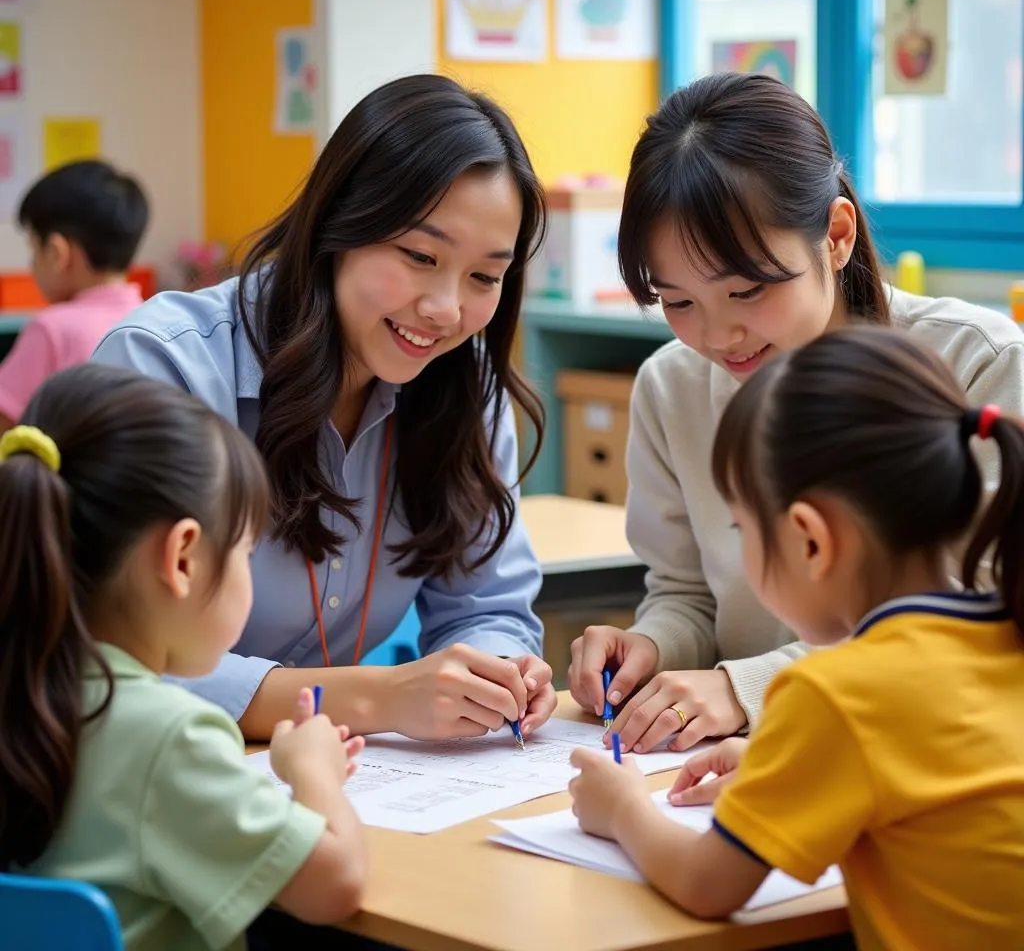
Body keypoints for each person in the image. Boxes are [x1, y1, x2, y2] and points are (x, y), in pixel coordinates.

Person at [567, 71, 1024, 752]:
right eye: (678, 302)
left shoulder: (977, 363)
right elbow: (687, 593)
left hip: (932, 759)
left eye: (747, 290)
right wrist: (649, 645)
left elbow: (981, 616)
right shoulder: (673, 386)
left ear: (836, 236)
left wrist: (749, 688)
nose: (718, 337)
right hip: (754, 761)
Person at [94, 74, 557, 741]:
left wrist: (500, 673)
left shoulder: (462, 384)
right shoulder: (162, 368)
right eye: (420, 256)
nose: (447, 309)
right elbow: (108, 663)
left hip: (323, 781)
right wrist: (369, 698)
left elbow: (487, 606)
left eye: (485, 276)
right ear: (338, 225)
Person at [568, 327, 1024, 947]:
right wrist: (778, 762)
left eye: (741, 527)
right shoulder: (1001, 634)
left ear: (810, 540)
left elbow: (708, 886)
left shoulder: (834, 693)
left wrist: (622, 808)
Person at [0, 364, 367, 949]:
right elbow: (336, 885)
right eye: (246, 550)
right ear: (183, 558)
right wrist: (314, 771)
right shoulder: (168, 737)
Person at [0, 160, 147, 431]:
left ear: (57, 253)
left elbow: (4, 422)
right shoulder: (151, 319)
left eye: (34, 249)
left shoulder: (53, 329)